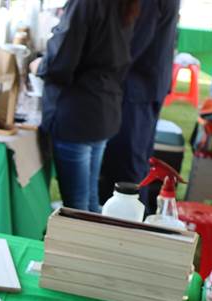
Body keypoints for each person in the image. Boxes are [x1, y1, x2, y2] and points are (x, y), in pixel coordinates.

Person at [31, 0, 139, 213]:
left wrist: (39, 66)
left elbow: (62, 60)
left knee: (77, 206)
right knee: (89, 199)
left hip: (78, 112)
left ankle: (84, 245)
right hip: (102, 106)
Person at [99, 0, 181, 214]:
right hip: (145, 83)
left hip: (137, 87)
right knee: (134, 163)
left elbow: (133, 43)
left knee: (127, 166)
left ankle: (129, 227)